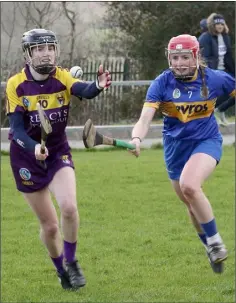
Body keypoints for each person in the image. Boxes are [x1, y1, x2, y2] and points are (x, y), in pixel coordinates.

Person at [5, 28, 111, 290]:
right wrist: (32, 148)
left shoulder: (62, 76)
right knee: (50, 228)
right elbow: (16, 130)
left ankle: (72, 262)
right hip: (26, 159)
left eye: (50, 48)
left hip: (57, 152)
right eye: (39, 49)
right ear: (28, 54)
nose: (46, 53)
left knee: (69, 208)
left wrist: (98, 85)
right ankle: (60, 270)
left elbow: (84, 90)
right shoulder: (15, 84)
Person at [129, 34, 235, 274]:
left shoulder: (214, 79)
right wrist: (137, 138)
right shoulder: (162, 83)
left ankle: (216, 242)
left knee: (190, 186)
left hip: (206, 141)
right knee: (190, 203)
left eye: (184, 57)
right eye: (174, 57)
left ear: (196, 57)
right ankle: (210, 248)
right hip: (175, 148)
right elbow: (145, 118)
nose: (179, 63)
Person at [199, 13, 235, 126]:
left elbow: (228, 56)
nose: (220, 26)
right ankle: (208, 111)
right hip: (213, 71)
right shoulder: (205, 37)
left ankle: (220, 110)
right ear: (212, 25)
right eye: (217, 24)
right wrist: (210, 74)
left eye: (222, 24)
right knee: (221, 93)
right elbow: (205, 57)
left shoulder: (226, 37)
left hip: (225, 70)